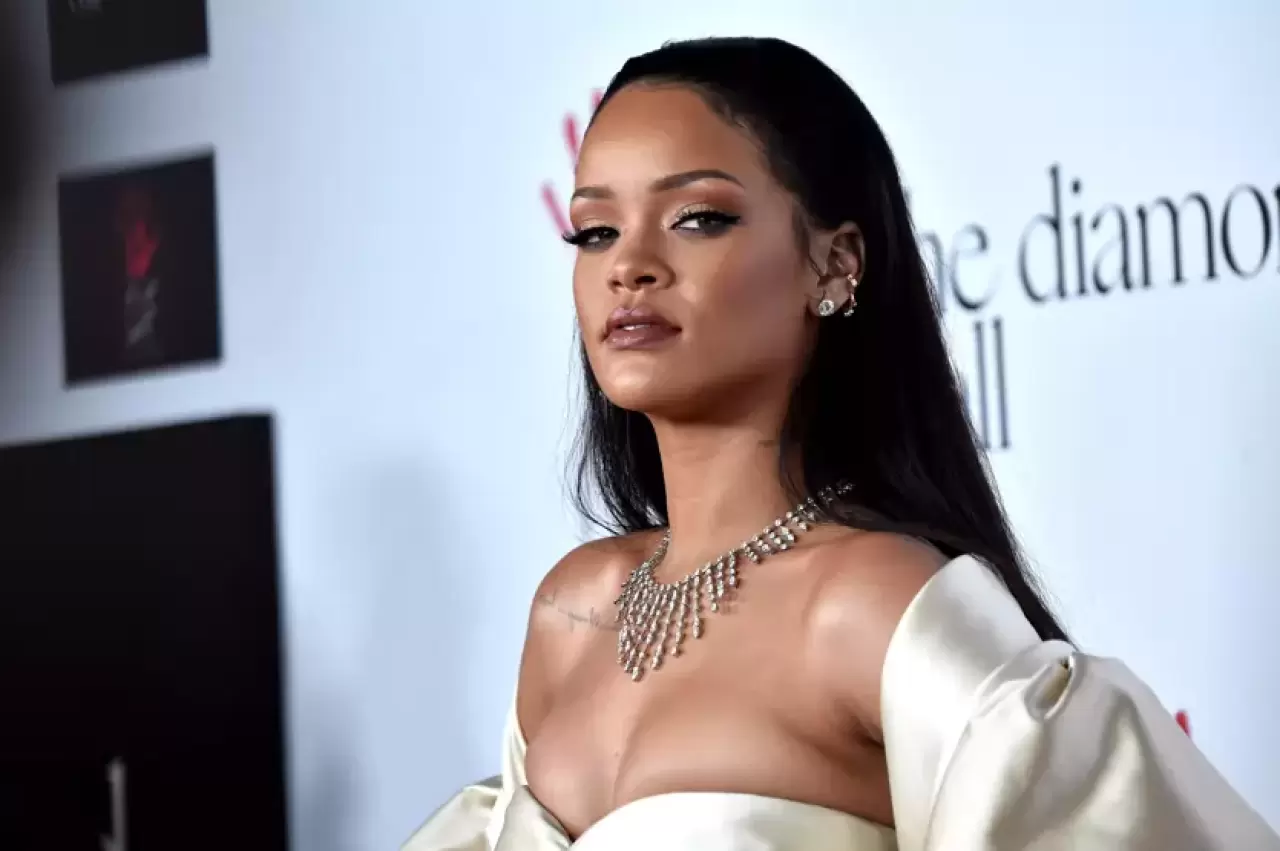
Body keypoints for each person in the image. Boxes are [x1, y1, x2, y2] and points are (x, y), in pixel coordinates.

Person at [405, 37, 1278, 850]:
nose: (628, 265)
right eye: (595, 230)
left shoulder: (873, 604)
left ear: (834, 263)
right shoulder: (570, 611)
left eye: (698, 218)